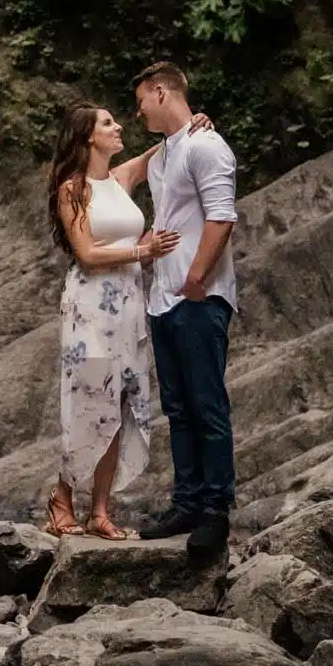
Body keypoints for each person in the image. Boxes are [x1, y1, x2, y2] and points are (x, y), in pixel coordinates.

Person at [42, 103, 202, 540]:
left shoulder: (120, 178)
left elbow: (164, 148)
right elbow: (87, 253)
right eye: (108, 123)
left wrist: (193, 124)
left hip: (129, 304)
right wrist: (142, 252)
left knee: (120, 403)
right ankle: (61, 499)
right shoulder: (72, 188)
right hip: (90, 306)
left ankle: (99, 511)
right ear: (88, 136)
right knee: (91, 399)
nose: (118, 127)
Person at [132, 60, 239, 558]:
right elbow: (166, 214)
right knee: (177, 409)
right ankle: (187, 501)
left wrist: (197, 277)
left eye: (140, 102)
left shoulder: (206, 145)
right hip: (163, 299)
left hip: (199, 297)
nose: (137, 112)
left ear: (160, 92)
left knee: (207, 403)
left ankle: (217, 510)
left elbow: (221, 216)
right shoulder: (162, 156)